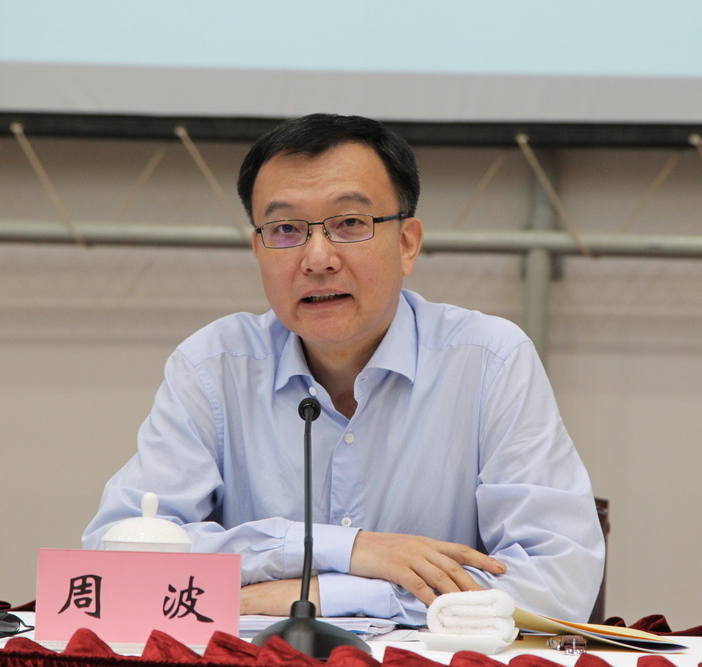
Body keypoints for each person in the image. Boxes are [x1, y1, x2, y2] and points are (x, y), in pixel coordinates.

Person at [83, 113, 605, 625]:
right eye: (285, 229)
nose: (317, 258)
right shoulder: (213, 367)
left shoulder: (489, 361)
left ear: (407, 243)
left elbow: (559, 580)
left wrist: (322, 594)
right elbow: (115, 557)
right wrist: (350, 550)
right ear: (258, 250)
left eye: (350, 224)